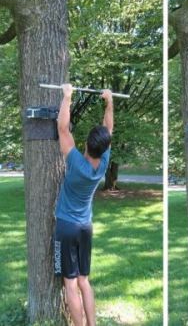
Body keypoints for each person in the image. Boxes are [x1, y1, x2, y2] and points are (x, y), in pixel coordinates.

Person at [54, 84, 113, 325]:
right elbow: (109, 128)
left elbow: (62, 128)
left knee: (70, 283)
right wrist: (109, 102)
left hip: (67, 227)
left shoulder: (76, 162)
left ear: (87, 146)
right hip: (85, 227)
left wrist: (67, 96)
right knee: (83, 281)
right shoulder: (104, 162)